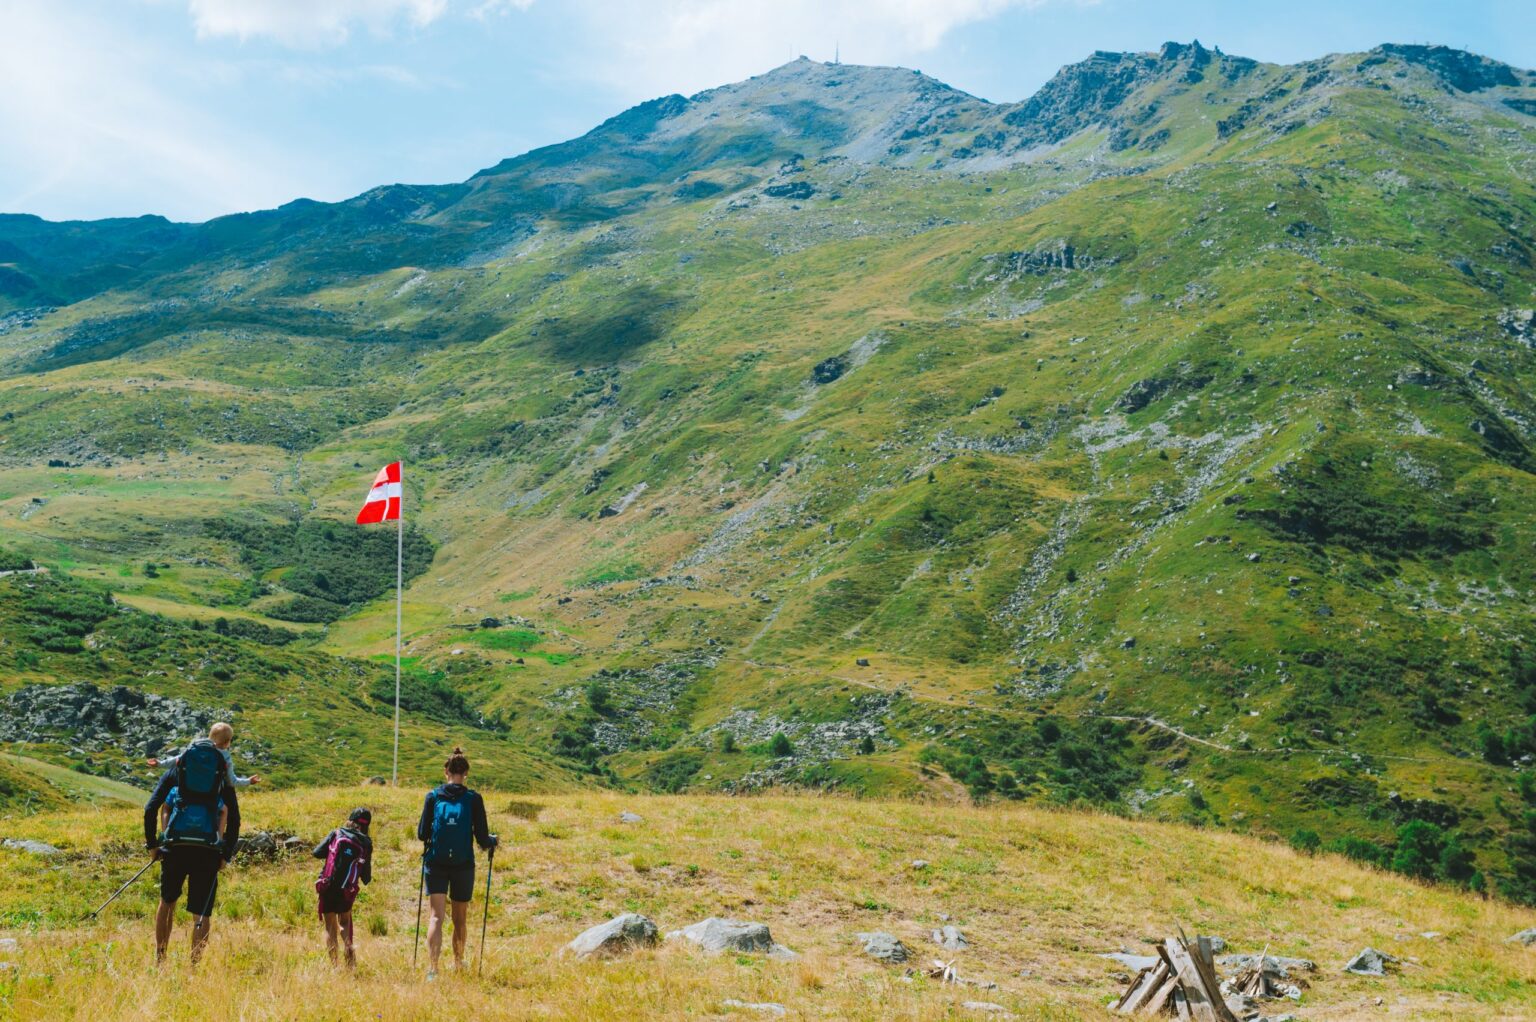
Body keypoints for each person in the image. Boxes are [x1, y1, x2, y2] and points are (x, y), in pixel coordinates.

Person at [144, 736, 240, 965]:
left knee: (167, 902)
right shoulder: (220, 774)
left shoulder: (177, 770)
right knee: (202, 911)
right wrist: (225, 854)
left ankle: (160, 959)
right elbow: (234, 818)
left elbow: (150, 808)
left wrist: (153, 845)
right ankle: (194, 966)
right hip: (207, 851)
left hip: (175, 847)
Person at [417, 747, 497, 979]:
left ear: (446, 771)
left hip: (436, 863)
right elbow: (482, 838)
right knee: (459, 918)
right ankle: (459, 964)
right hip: (463, 864)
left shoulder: (433, 796)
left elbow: (422, 834)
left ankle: (433, 969)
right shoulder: (473, 799)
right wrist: (493, 840)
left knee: (435, 917)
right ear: (466, 773)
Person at [312, 808, 373, 969]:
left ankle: (334, 966)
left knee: (330, 926)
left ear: (350, 819)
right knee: (345, 922)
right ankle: (349, 952)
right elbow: (366, 877)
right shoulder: (366, 843)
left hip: (328, 886)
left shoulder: (336, 833)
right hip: (347, 891)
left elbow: (316, 852)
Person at [149, 721, 261, 786]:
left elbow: (179, 758)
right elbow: (232, 781)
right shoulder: (225, 757)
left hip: (187, 791)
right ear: (227, 742)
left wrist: (160, 763)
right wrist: (248, 781)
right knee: (224, 811)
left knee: (168, 805)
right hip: (209, 796)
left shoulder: (195, 747)